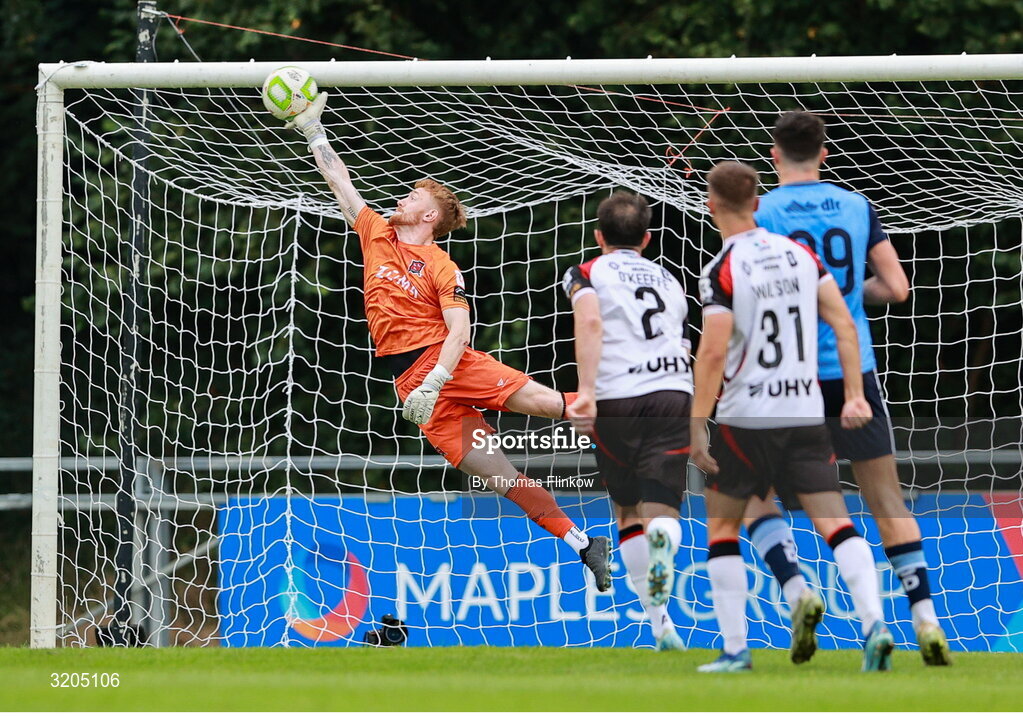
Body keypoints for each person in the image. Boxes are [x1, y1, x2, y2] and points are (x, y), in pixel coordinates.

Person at [288, 93, 611, 590]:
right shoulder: (375, 234)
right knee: (501, 478)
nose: (401, 199)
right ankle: (585, 545)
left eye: (413, 197)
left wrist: (436, 380)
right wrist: (314, 130)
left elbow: (460, 331)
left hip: (447, 367)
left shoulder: (442, 265)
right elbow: (340, 182)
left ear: (430, 217)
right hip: (411, 384)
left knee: (550, 405)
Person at [742, 110, 950, 666]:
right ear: (826, 153)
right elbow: (898, 287)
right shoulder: (858, 206)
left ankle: (798, 589)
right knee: (886, 498)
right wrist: (846, 293)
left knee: (751, 495)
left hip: (788, 376)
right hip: (854, 372)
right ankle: (925, 620)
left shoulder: (762, 212)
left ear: (774, 156)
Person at [691, 161, 893, 673]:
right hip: (805, 412)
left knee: (723, 527)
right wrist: (852, 393)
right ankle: (874, 628)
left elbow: (713, 354)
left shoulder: (722, 268)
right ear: (758, 203)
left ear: (712, 207)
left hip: (747, 418)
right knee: (838, 523)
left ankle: (737, 651)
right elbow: (844, 325)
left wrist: (696, 425)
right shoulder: (801, 256)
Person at [563, 191, 692, 651]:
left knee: (626, 510)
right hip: (673, 392)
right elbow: (682, 342)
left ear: (598, 236)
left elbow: (591, 323)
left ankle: (661, 627)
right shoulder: (669, 278)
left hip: (618, 395)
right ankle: (664, 544)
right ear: (649, 237)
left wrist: (588, 394)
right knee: (663, 504)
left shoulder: (584, 272)